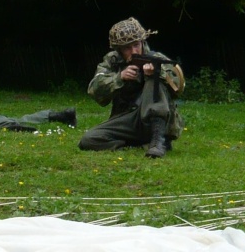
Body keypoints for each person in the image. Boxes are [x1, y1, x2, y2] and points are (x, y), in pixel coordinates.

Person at [78, 17, 185, 158]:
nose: (134, 51)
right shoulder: (112, 61)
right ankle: (134, 145)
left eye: (136, 45)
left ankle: (158, 141)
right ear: (119, 49)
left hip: (157, 120)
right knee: (88, 140)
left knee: (154, 80)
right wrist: (119, 78)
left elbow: (178, 87)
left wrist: (155, 74)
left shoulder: (156, 58)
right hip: (127, 119)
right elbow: (94, 89)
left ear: (142, 42)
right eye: (127, 48)